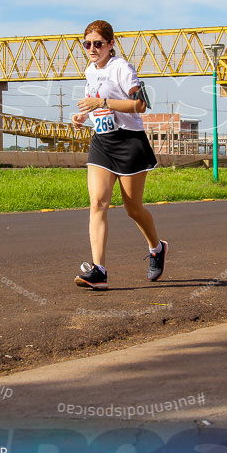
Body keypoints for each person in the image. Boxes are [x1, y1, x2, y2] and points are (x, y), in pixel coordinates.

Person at [71, 20, 167, 290]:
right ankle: (99, 270)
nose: (92, 49)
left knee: (133, 209)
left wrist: (101, 102)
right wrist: (84, 115)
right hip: (102, 142)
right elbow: (94, 103)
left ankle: (157, 248)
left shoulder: (121, 68)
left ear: (111, 44)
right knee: (98, 203)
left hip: (129, 142)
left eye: (98, 44)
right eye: (87, 44)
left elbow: (140, 105)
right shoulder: (90, 70)